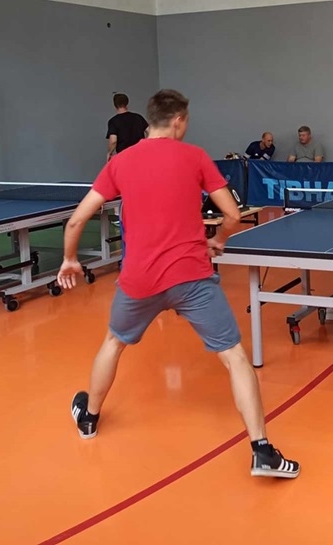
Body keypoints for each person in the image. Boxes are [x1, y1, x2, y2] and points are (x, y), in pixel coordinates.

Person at [58, 89, 299, 479]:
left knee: (113, 343)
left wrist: (70, 259)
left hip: (140, 280)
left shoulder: (120, 161)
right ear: (178, 120)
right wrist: (218, 239)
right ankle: (262, 451)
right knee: (235, 357)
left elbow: (76, 220)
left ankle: (89, 417)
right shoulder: (195, 156)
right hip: (192, 278)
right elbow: (232, 214)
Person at [106, 93, 149, 162]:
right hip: (140, 153)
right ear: (127, 103)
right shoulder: (138, 117)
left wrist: (109, 152)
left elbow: (113, 141)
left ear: (115, 105)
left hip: (124, 156)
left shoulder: (113, 121)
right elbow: (150, 131)